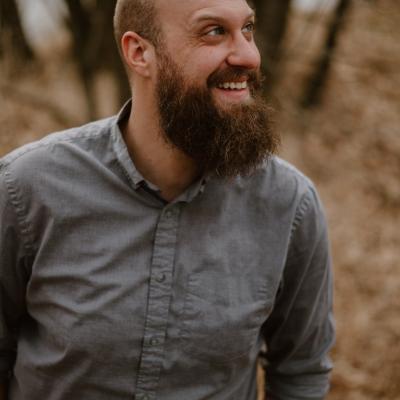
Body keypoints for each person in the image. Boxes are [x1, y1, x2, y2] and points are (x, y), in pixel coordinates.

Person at [0, 0, 335, 399]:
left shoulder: (289, 205)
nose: (248, 55)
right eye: (214, 31)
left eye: (247, 29)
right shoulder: (26, 189)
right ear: (139, 52)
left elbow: (301, 373)